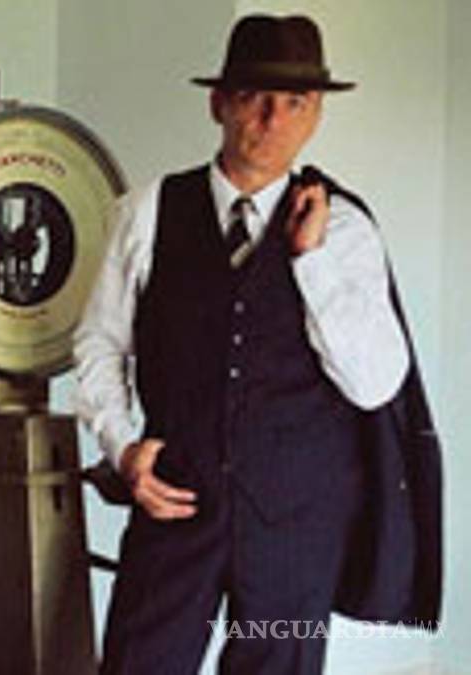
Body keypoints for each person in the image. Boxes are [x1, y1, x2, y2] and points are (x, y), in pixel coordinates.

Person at [73, 14, 440, 674]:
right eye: (254, 97)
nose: (274, 119)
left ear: (316, 114)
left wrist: (311, 261)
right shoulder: (147, 211)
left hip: (295, 530)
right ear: (218, 103)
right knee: (139, 662)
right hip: (177, 503)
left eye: (295, 102)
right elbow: (99, 342)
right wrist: (123, 448)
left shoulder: (345, 228)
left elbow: (375, 383)